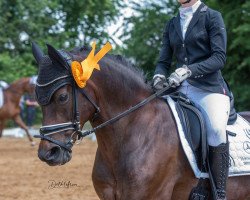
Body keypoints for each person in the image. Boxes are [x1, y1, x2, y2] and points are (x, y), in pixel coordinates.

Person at [153, 0, 230, 199]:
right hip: (178, 89)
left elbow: (219, 57)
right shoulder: (172, 23)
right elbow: (163, 61)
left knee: (215, 129)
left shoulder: (212, 17)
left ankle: (218, 191)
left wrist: (189, 70)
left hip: (209, 89)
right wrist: (159, 76)